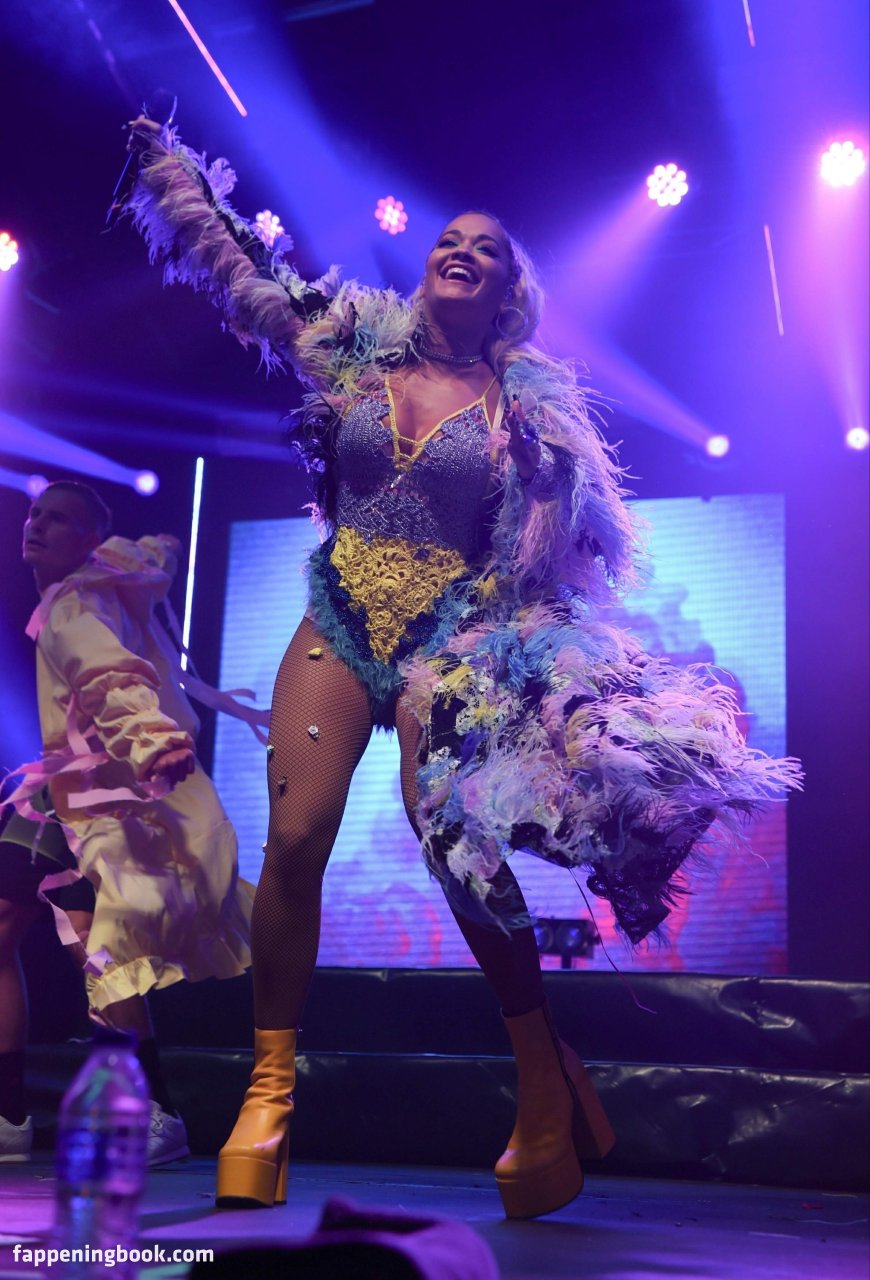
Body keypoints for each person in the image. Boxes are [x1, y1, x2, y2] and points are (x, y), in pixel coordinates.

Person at [125, 118, 801, 1218]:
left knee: (455, 841)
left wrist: (544, 497)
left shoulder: (528, 411)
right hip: (340, 618)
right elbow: (253, 275)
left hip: (453, 643)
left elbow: (569, 553)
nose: (462, 249)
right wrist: (180, 181)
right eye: (451, 238)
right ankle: (269, 1092)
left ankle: (541, 1077)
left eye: (487, 248)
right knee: (295, 837)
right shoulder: (353, 348)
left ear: (508, 294)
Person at [0, 481, 253, 1164]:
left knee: (99, 950)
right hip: (63, 792)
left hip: (101, 796)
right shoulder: (93, 586)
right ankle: (12, 1113)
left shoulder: (74, 605)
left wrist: (151, 739)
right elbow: (151, 569)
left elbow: (107, 673)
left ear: (88, 540)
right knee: (29, 930)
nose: (36, 525)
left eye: (58, 519)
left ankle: (150, 1111)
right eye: (35, 513)